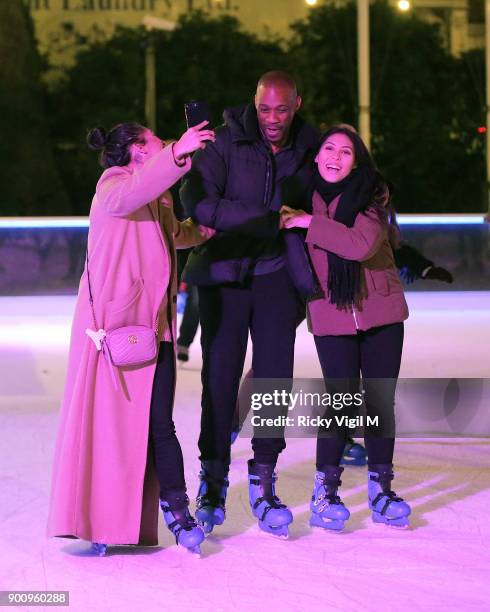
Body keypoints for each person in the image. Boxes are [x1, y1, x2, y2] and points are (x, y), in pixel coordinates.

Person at [47, 120, 215, 556]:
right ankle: (101, 521)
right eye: (157, 142)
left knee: (160, 422)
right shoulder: (113, 185)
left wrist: (209, 229)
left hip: (152, 328)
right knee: (111, 429)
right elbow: (127, 198)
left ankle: (178, 512)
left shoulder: (154, 194)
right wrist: (178, 154)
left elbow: (176, 234)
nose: (164, 145)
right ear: (139, 150)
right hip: (114, 331)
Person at [180, 71, 319, 538]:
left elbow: (335, 191)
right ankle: (213, 480)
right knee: (219, 380)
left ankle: (263, 480)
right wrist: (265, 220)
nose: (273, 119)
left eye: (282, 109)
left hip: (278, 278)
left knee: (274, 379)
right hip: (224, 275)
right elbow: (200, 202)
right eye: (265, 109)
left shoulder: (311, 145)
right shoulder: (223, 142)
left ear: (297, 103)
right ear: (253, 103)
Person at [280, 125, 412, 530]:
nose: (336, 156)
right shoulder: (298, 200)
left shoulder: (371, 197)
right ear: (316, 157)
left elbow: (360, 245)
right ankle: (325, 494)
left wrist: (308, 223)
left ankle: (380, 489)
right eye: (329, 149)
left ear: (358, 161)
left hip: (381, 312)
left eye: (347, 151)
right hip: (331, 313)